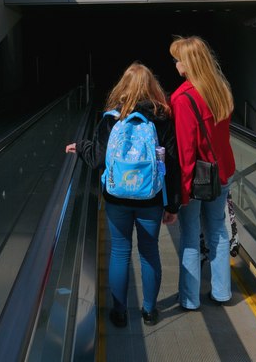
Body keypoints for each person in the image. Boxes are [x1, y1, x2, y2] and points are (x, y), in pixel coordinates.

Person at [65, 63, 181, 328]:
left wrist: (82, 146)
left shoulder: (110, 119)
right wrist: (172, 204)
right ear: (153, 87)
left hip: (117, 197)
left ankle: (119, 312)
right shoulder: (162, 118)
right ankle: (150, 311)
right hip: (151, 198)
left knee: (120, 252)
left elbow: (96, 159)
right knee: (149, 252)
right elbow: (171, 164)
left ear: (122, 86)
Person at [169, 36, 236, 310]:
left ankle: (189, 298)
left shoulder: (183, 98)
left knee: (190, 234)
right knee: (218, 230)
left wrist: (181, 195)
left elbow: (185, 153)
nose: (175, 63)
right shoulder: (221, 89)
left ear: (188, 64)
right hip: (223, 171)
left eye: (178, 59)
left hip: (197, 179)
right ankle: (221, 292)